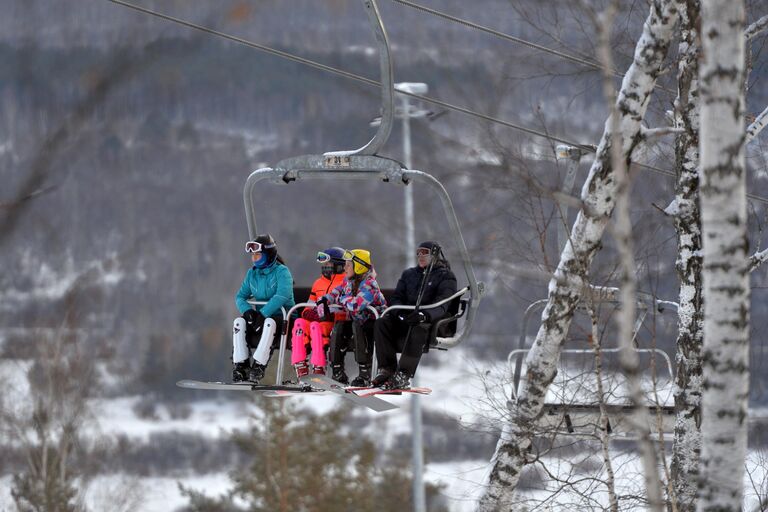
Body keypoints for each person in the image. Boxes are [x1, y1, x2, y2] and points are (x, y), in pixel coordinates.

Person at [373, 241, 457, 390]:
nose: (420, 256)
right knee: (381, 323)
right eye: (418, 252)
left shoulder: (446, 277)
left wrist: (424, 315)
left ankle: (403, 375)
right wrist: (400, 314)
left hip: (429, 321)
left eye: (425, 252)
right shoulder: (409, 274)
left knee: (419, 328)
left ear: (435, 254)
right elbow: (397, 297)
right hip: (407, 318)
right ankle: (387, 370)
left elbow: (443, 304)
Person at [317, 249, 386, 387]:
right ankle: (337, 371)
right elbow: (336, 292)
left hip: (373, 325)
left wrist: (342, 298)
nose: (345, 268)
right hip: (358, 321)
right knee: (339, 327)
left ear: (358, 266)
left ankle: (365, 373)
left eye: (348, 265)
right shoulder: (348, 280)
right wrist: (324, 300)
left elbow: (355, 305)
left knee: (356, 326)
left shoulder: (369, 284)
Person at [232, 234, 295, 383]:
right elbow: (240, 297)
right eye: (253, 255)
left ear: (268, 254)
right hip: (261, 317)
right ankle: (241, 365)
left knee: (269, 323)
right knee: (239, 323)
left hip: (284, 317)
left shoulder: (282, 272)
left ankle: (259, 366)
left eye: (258, 255)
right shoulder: (252, 274)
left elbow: (282, 295)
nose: (254, 259)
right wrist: (248, 312)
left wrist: (263, 313)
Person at [290, 247, 348, 378]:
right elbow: (308, 307)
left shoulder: (346, 283)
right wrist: (310, 314)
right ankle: (300, 364)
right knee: (299, 323)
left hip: (333, 322)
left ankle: (319, 366)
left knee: (315, 327)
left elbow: (347, 308)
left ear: (339, 265)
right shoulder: (318, 283)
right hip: (317, 320)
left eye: (328, 264)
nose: (325, 267)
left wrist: (329, 315)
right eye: (324, 264)